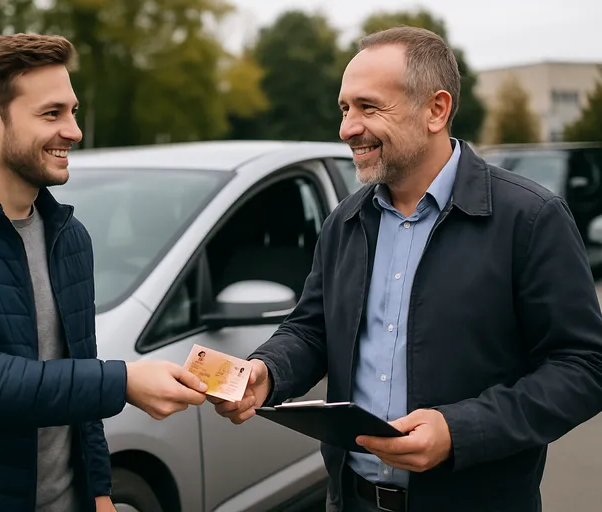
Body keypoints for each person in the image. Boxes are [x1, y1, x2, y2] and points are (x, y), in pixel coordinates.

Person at [211, 26, 602, 512]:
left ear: (436, 109)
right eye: (345, 108)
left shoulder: (530, 218)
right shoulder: (346, 221)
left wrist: (459, 431)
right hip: (352, 501)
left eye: (368, 107)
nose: (347, 127)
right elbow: (312, 329)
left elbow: (584, 366)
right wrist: (266, 370)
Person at [0, 33, 207, 512]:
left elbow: (75, 375)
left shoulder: (68, 236)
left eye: (72, 111)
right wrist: (123, 382)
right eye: (52, 114)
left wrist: (100, 490)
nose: (73, 130)